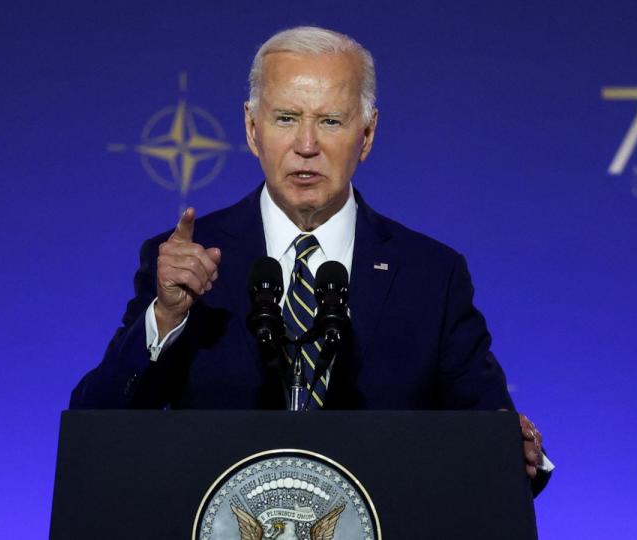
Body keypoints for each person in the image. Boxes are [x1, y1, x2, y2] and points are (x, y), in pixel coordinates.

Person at [70, 26, 551, 490]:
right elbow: (97, 430)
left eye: (330, 121)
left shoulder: (431, 275)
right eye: (286, 119)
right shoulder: (186, 260)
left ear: (367, 134)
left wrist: (515, 450)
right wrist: (167, 317)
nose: (306, 146)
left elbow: (492, 446)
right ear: (252, 128)